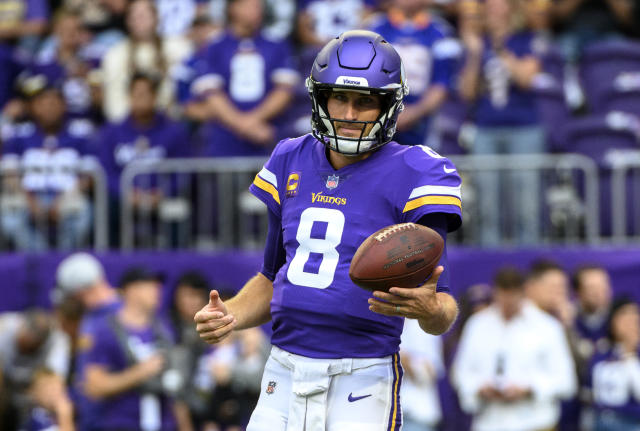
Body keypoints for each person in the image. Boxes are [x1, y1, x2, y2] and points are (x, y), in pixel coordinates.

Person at [194, 30, 461, 430]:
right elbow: (273, 277)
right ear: (320, 97)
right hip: (282, 369)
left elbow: (441, 307)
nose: (349, 114)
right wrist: (229, 314)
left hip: (361, 375)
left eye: (364, 101)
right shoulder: (290, 156)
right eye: (339, 97)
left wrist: (431, 311)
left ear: (390, 105)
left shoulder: (417, 170)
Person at [458, 0, 545, 246]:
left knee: (526, 201)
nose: (494, 10)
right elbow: (466, 92)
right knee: (487, 201)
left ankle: (530, 254)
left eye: (500, 5)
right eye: (490, 6)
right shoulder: (477, 45)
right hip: (486, 128)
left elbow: (527, 79)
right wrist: (475, 54)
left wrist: (500, 49)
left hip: (524, 128)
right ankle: (489, 257)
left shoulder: (526, 40)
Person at [451, 266, 577, 431]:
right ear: (495, 293)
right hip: (490, 423)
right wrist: (480, 388)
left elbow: (567, 382)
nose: (508, 304)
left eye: (512, 297)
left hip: (536, 423)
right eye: (503, 297)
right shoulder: (477, 324)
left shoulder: (547, 327)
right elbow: (460, 373)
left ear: (523, 292)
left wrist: (529, 389)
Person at [78, 266, 188, 431]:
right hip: (120, 423)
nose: (157, 290)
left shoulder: (163, 330)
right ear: (131, 290)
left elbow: (175, 393)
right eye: (149, 285)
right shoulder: (105, 330)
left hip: (163, 423)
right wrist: (140, 373)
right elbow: (93, 386)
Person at [587, 297, 640, 431]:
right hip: (600, 421)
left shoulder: (635, 355)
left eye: (634, 318)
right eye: (623, 316)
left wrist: (630, 355)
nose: (629, 323)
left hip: (631, 422)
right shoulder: (601, 352)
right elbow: (590, 390)